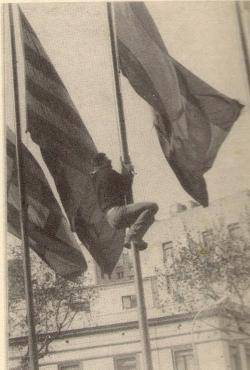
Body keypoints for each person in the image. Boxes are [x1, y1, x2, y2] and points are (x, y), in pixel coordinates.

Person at [91, 152, 159, 250]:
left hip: (111, 219)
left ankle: (135, 237)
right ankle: (132, 236)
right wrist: (129, 170)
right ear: (101, 162)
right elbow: (126, 184)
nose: (109, 161)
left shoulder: (97, 178)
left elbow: (120, 186)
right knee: (152, 206)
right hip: (117, 212)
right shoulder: (106, 172)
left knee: (150, 217)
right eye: (106, 160)